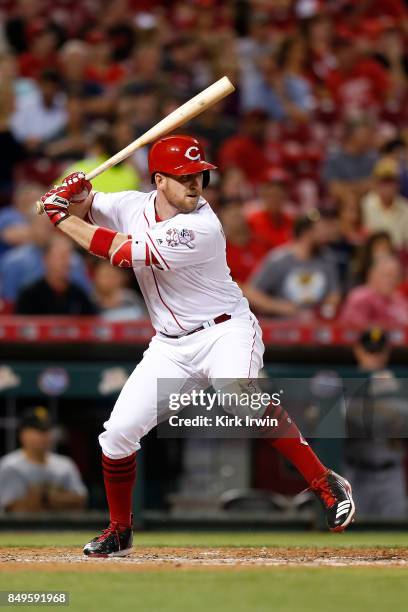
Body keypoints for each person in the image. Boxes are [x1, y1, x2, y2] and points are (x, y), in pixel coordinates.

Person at [40, 134, 355, 557]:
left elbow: (119, 251)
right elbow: (91, 203)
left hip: (225, 330)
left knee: (235, 392)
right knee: (116, 436)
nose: (195, 184)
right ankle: (120, 530)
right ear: (159, 181)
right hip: (170, 346)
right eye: (184, 176)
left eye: (200, 176)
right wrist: (72, 192)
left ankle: (324, 482)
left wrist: (61, 217)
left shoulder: (201, 227)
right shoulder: (132, 205)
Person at [344, 328, 407, 518]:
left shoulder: (399, 384)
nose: (375, 358)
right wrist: (383, 411)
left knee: (398, 534)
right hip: (355, 471)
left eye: (379, 352)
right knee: (351, 533)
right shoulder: (347, 383)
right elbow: (334, 419)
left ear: (386, 352)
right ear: (358, 351)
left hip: (391, 473)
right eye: (369, 351)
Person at [244, 214, 340, 319]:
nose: (325, 234)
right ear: (306, 232)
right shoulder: (279, 260)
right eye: (320, 230)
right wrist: (279, 307)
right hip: (283, 326)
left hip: (317, 327)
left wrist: (327, 307)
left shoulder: (326, 259)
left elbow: (334, 293)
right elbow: (251, 293)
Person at [0, 406, 88, 512]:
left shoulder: (65, 464)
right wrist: (60, 498)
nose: (44, 436)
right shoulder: (10, 465)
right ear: (23, 434)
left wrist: (44, 498)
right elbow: (11, 508)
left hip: (61, 527)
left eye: (47, 430)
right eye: (38, 430)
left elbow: (81, 500)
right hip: (21, 528)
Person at [15, 235, 97, 315]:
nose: (66, 262)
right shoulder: (29, 295)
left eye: (69, 256)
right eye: (61, 256)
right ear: (46, 259)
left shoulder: (79, 295)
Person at [341, 255, 408, 326]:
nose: (393, 280)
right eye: (388, 275)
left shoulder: (399, 298)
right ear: (372, 274)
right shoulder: (361, 298)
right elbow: (357, 330)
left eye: (396, 276)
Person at [361, 157, 408, 250]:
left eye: (391, 182)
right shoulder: (366, 204)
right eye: (383, 182)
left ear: (398, 185)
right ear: (375, 183)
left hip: (397, 255)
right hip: (371, 253)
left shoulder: (405, 208)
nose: (387, 187)